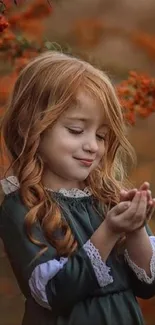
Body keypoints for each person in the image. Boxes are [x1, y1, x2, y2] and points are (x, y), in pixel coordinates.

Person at [0, 51, 155, 325]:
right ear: (30, 127)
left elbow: (147, 286)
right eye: (75, 130)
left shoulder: (108, 198)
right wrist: (109, 231)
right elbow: (54, 294)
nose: (92, 146)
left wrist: (134, 229)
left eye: (101, 136)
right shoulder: (21, 206)